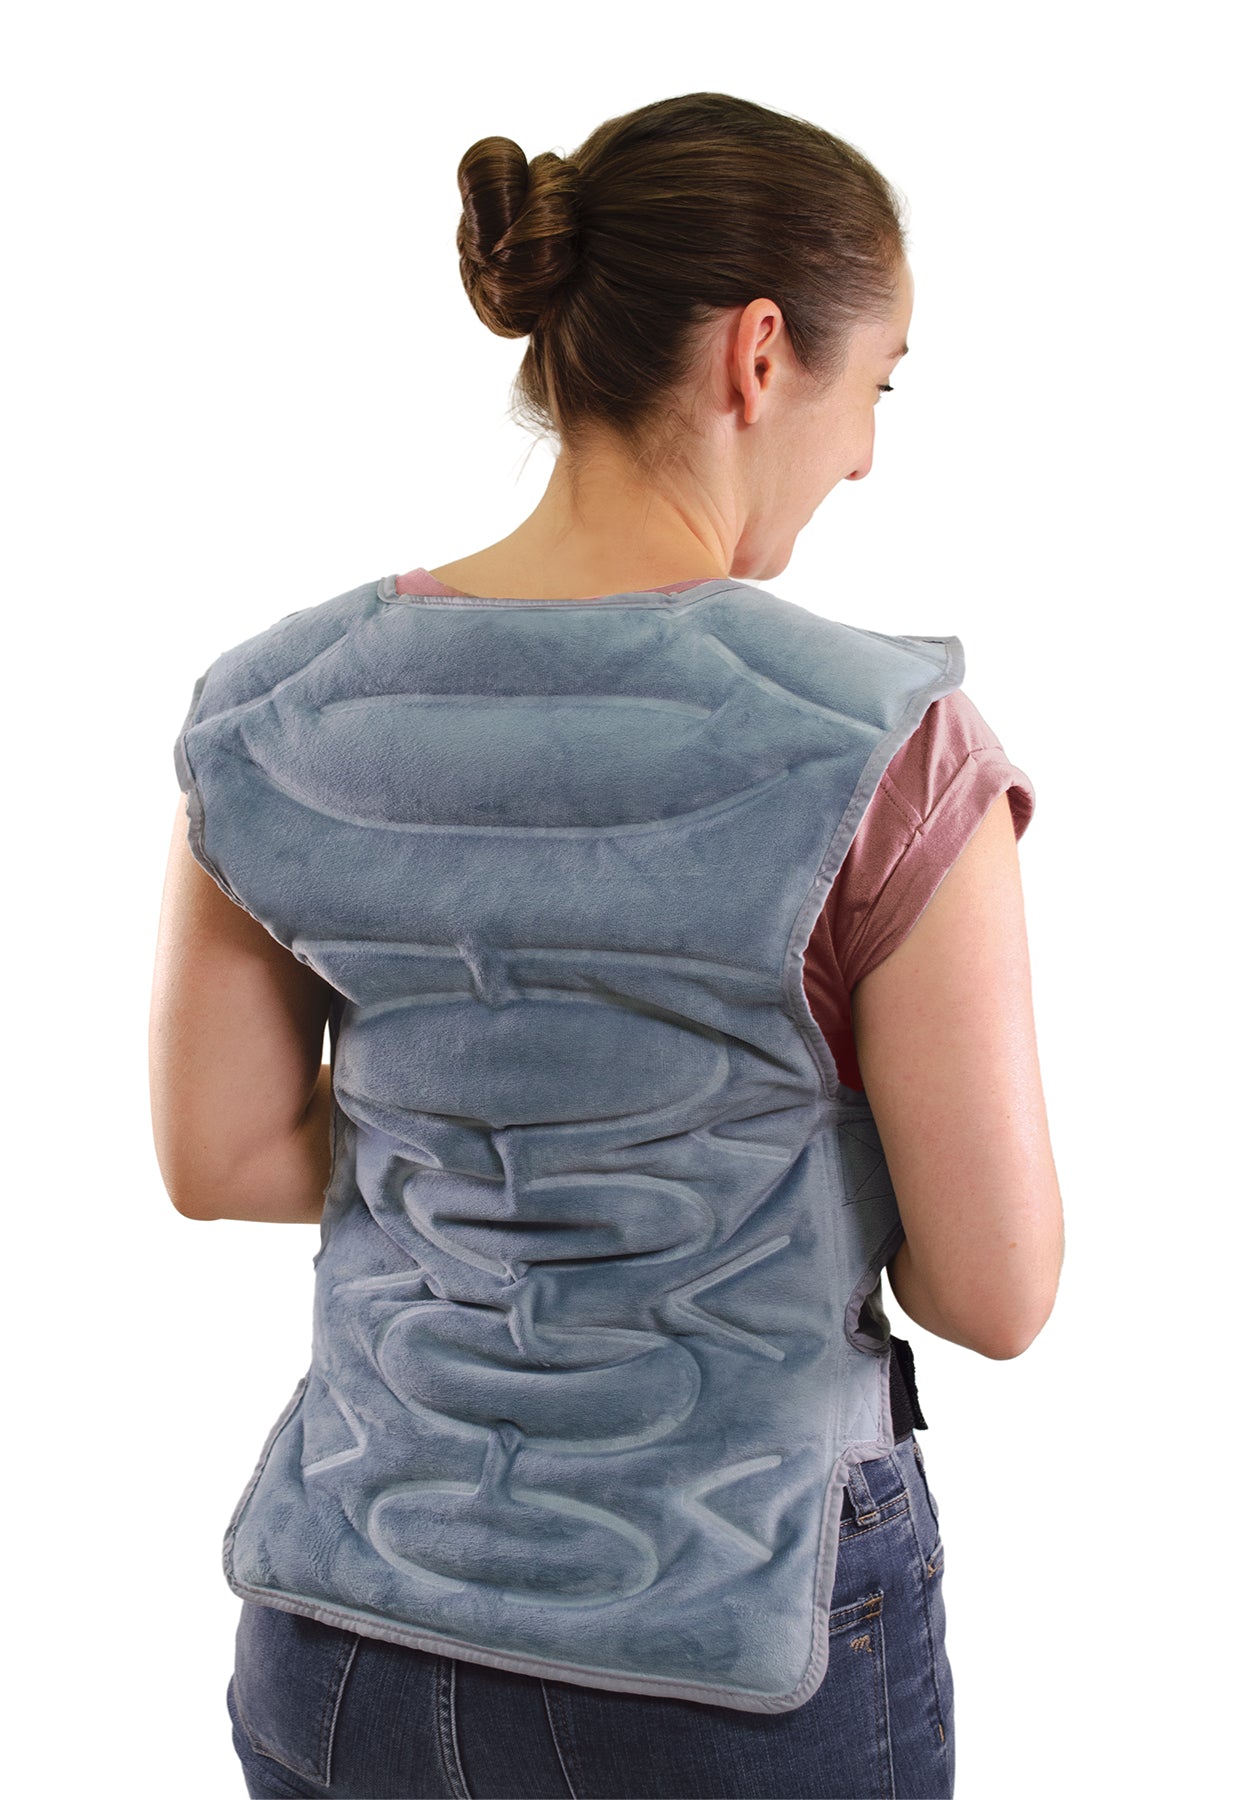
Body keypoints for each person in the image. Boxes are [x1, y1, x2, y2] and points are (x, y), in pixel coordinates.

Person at [150, 90, 1064, 1800]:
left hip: (344, 1636)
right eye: (877, 388)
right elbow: (993, 1290)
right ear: (758, 354)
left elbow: (222, 1158)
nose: (863, 453)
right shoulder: (881, 744)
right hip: (724, 1666)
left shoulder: (273, 709)